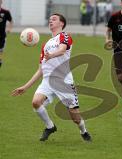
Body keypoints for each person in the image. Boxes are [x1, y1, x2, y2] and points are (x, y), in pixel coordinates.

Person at [12, 13, 91, 142]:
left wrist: (51, 55)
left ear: (62, 23)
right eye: (49, 20)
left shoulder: (64, 36)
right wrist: (25, 87)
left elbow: (62, 50)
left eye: (54, 19)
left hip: (64, 81)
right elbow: (40, 70)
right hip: (47, 81)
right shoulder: (45, 45)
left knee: (75, 117)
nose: (51, 21)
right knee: (36, 102)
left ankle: (84, 131)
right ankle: (50, 126)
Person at [0, 0, 13, 67]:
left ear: (1, 2)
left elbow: (11, 21)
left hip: (2, 37)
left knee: (0, 57)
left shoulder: (5, 12)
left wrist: (9, 28)